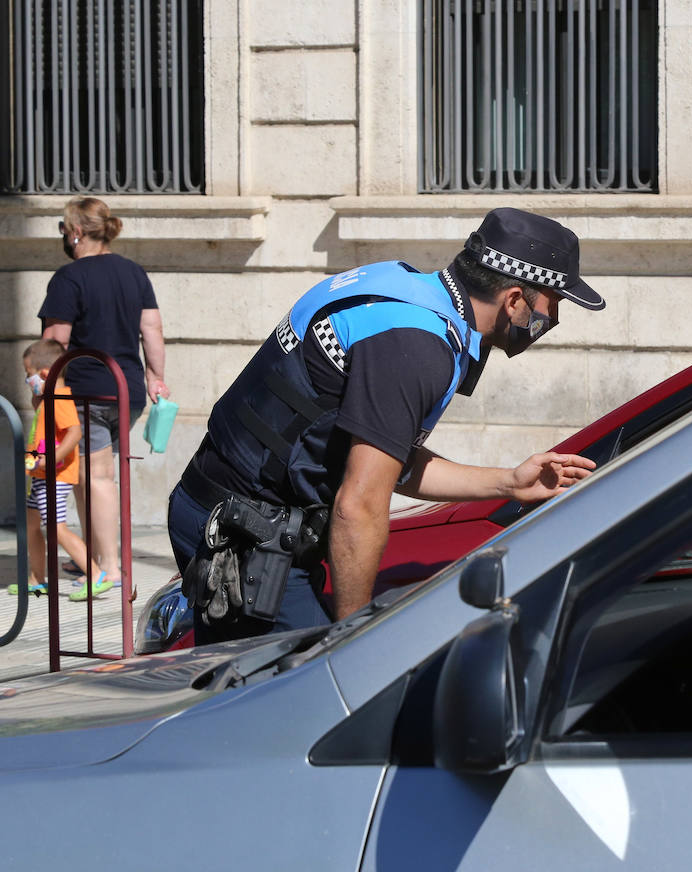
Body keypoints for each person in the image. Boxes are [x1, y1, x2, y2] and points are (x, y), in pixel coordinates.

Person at [168, 207, 603, 644]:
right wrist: (356, 640)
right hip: (242, 535)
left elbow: (392, 461)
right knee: (318, 681)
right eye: (554, 302)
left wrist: (509, 482)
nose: (554, 318)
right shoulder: (417, 345)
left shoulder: (402, 288)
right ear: (514, 299)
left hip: (221, 508)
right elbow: (360, 504)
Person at [38, 197, 170, 591]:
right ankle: (93, 558)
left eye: (64, 229)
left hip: (86, 392)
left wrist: (43, 388)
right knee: (89, 476)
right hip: (126, 389)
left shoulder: (69, 278)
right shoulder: (133, 273)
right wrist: (155, 377)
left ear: (77, 232)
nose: (65, 237)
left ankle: (109, 567)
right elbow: (152, 329)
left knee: (96, 476)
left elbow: (55, 341)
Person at [6, 339, 110, 601]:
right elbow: (43, 434)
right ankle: (36, 580)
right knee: (31, 526)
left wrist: (51, 460)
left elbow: (74, 434)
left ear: (44, 374)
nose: (26, 380)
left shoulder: (61, 399)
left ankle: (96, 574)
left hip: (54, 477)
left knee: (56, 528)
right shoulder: (49, 399)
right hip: (40, 477)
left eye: (28, 374)